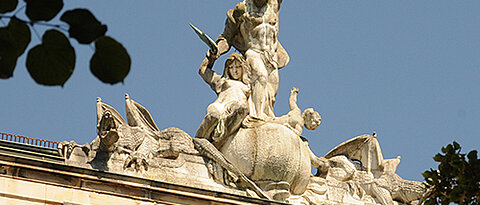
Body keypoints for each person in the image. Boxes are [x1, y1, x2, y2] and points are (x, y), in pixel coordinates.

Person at [212, 0, 289, 119]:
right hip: (254, 52)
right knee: (260, 77)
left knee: (270, 95)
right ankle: (257, 117)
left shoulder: (274, 4)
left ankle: (266, 114)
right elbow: (227, 37)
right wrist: (216, 51)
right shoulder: (241, 9)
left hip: (272, 56)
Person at [196, 52, 250, 147]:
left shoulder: (248, 86)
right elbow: (203, 70)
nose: (235, 71)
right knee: (214, 116)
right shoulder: (222, 81)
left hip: (235, 109)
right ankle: (196, 143)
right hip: (220, 106)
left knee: (242, 108)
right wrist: (211, 57)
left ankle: (217, 142)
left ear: (243, 68)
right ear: (227, 69)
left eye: (238, 67)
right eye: (231, 67)